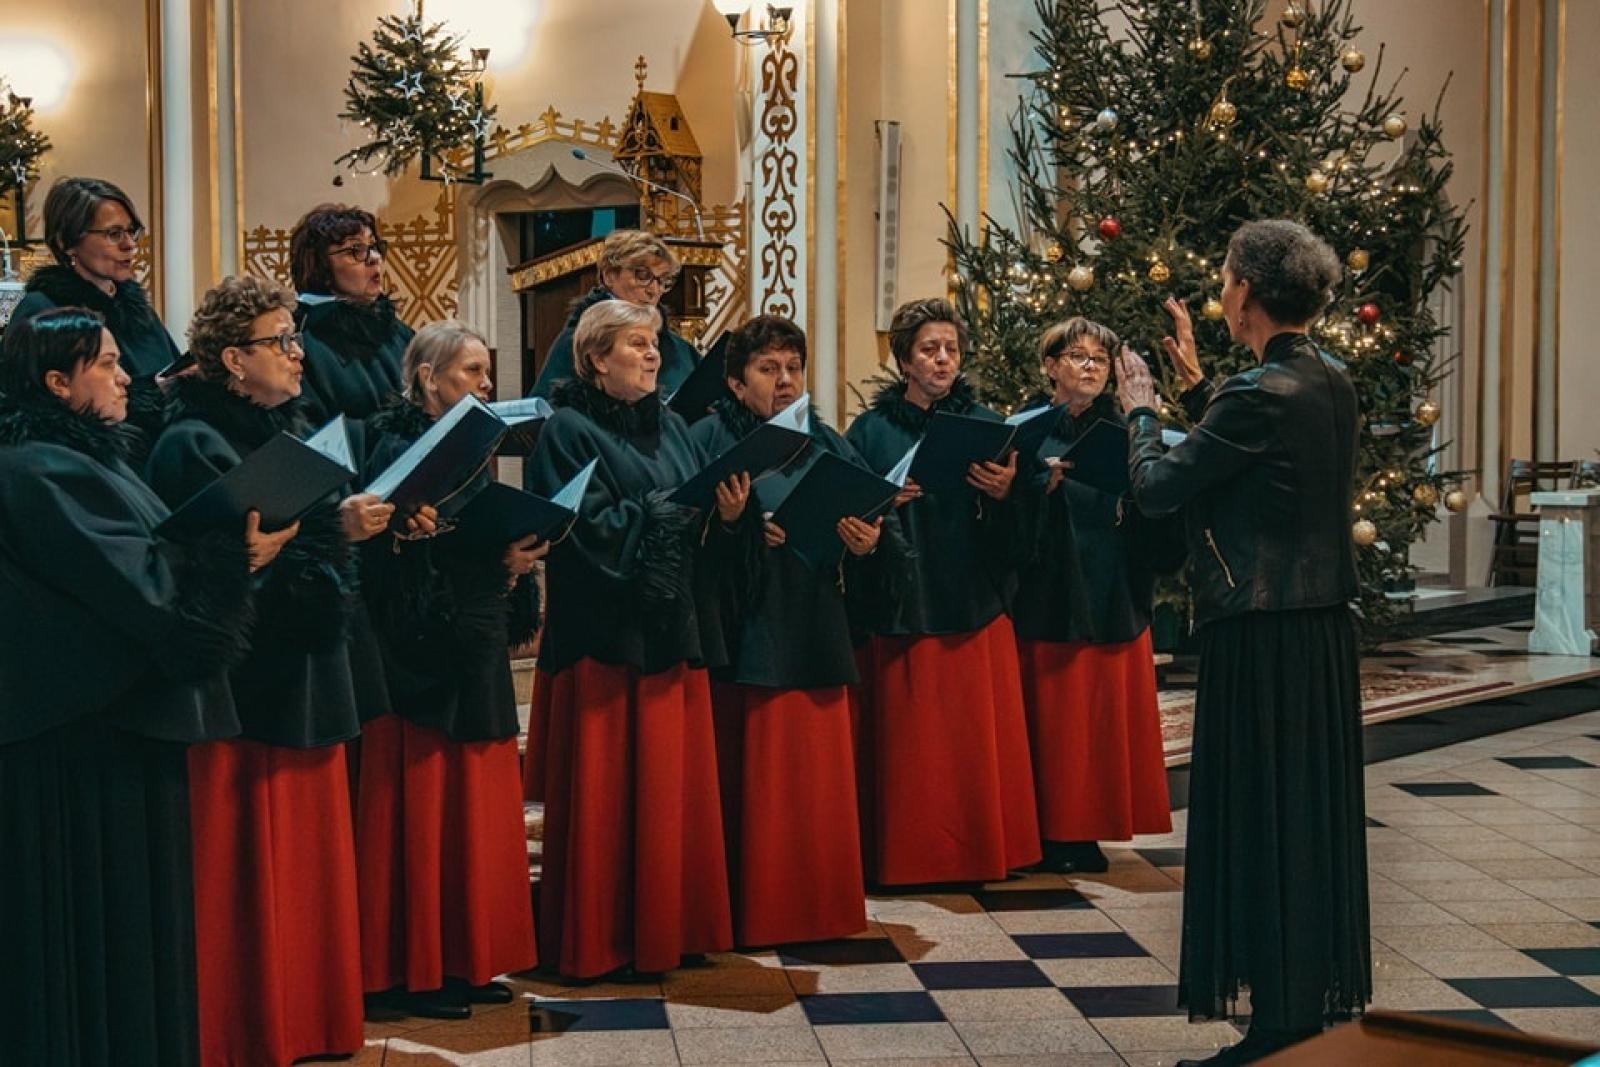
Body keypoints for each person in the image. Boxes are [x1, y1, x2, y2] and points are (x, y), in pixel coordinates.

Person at [1115, 219, 1367, 1065]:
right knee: (1302, 819)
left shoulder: (1257, 393)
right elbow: (1247, 458)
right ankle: (1299, 1006)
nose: (1220, 289)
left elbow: (1157, 489)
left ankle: (1274, 1029)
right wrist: (1198, 389)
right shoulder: (1331, 378)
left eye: (1225, 278)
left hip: (1259, 636)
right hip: (1321, 632)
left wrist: (1143, 413)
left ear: (1247, 292)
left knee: (1259, 820)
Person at [145, 275, 400, 1067]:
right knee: (246, 862)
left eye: (296, 338)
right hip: (247, 682)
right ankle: (250, 1023)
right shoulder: (192, 440)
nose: (297, 354)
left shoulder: (295, 428)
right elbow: (198, 566)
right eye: (280, 341)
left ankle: (310, 1015)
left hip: (306, 662)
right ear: (231, 358)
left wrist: (336, 525)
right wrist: (320, 527)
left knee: (305, 853)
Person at [0, 308, 258, 1066]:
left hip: (109, 728)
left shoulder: (80, 459)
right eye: (107, 363)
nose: (125, 376)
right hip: (81, 742)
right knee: (96, 936)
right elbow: (145, 590)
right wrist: (231, 555)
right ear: (57, 382)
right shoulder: (41, 467)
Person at [523, 298, 750, 979]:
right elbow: (581, 528)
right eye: (635, 344)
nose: (653, 355)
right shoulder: (566, 429)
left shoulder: (675, 423)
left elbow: (695, 515)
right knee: (609, 798)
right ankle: (602, 939)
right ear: (596, 359)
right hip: (606, 636)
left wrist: (728, 514)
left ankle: (668, 929)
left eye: (654, 343)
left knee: (668, 794)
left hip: (674, 626)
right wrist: (668, 513)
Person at [689, 314, 895, 946]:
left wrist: (869, 544)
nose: (784, 381)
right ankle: (753, 910)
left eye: (793, 368)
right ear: (733, 382)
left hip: (817, 623)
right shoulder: (705, 439)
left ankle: (820, 908)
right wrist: (735, 527)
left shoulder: (827, 441)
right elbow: (680, 534)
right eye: (767, 369)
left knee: (816, 782)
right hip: (745, 632)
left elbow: (870, 510)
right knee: (753, 782)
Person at [356, 321, 541, 1018]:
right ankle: (415, 969)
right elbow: (386, 554)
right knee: (423, 804)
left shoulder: (474, 446)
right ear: (428, 379)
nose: (484, 385)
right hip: (419, 647)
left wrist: (510, 558)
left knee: (475, 800)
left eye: (488, 373)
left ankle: (464, 957)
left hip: (476, 628)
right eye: (469, 371)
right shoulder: (392, 442)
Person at [844, 297, 1041, 886]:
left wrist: (1007, 491)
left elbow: (1023, 520)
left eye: (951, 349)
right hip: (905, 597)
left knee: (971, 743)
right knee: (914, 747)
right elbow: (849, 508)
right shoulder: (871, 430)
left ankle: (977, 851)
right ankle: (911, 854)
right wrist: (883, 499)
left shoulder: (985, 422)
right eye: (930, 349)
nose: (943, 360)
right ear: (904, 358)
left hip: (970, 592)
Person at [1012, 318, 1181, 874]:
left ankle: (1086, 828)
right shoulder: (1026, 431)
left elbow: (1161, 504)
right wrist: (1038, 487)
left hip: (1113, 588)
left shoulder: (1129, 431)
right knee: (1052, 718)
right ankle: (1041, 829)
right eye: (1077, 356)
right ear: (1050, 365)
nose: (1089, 366)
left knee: (1097, 721)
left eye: (1100, 360)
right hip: (1048, 589)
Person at [4, 177, 183, 441]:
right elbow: (41, 410)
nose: (130, 245)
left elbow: (171, 368)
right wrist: (159, 392)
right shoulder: (43, 311)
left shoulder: (134, 305)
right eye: (113, 234)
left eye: (131, 231)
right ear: (67, 242)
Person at [526, 229, 699, 400]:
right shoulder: (578, 342)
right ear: (609, 276)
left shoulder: (680, 349)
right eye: (642, 275)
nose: (654, 290)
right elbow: (547, 413)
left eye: (663, 280)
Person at [289, 203, 413, 434]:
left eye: (374, 247)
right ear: (320, 266)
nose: (374, 258)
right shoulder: (300, 341)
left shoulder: (398, 332)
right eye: (355, 250)